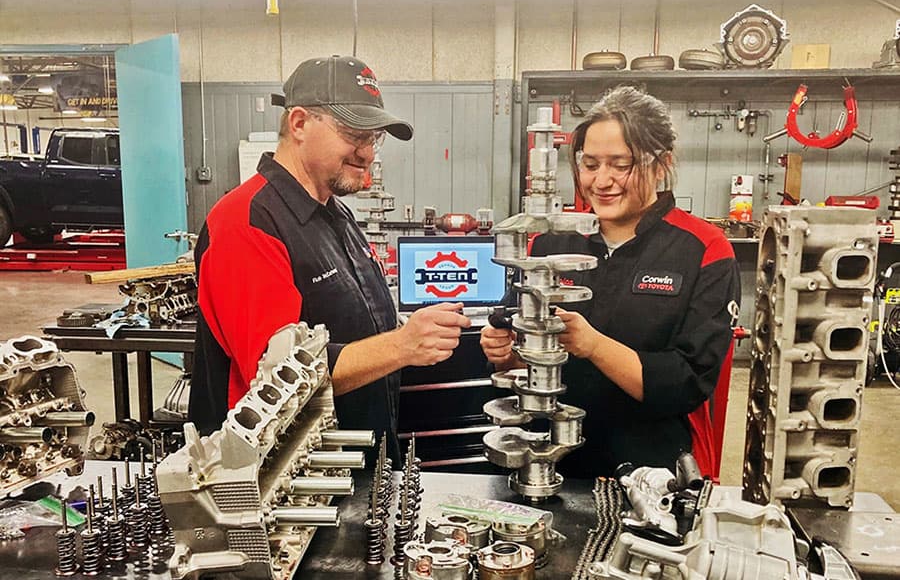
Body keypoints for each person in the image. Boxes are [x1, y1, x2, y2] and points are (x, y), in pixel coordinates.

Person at [189, 55, 471, 463]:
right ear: (299, 123)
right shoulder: (246, 221)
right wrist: (402, 345)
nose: (367, 152)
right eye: (355, 133)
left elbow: (352, 330)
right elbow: (276, 379)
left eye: (374, 138)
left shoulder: (335, 214)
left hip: (353, 468)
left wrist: (411, 332)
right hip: (283, 488)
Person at [481, 86, 740, 478]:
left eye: (621, 164)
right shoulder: (549, 241)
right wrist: (505, 351)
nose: (602, 181)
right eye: (590, 164)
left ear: (661, 163)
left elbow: (688, 383)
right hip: (546, 463)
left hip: (650, 473)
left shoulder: (704, 250)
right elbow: (522, 340)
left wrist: (595, 346)